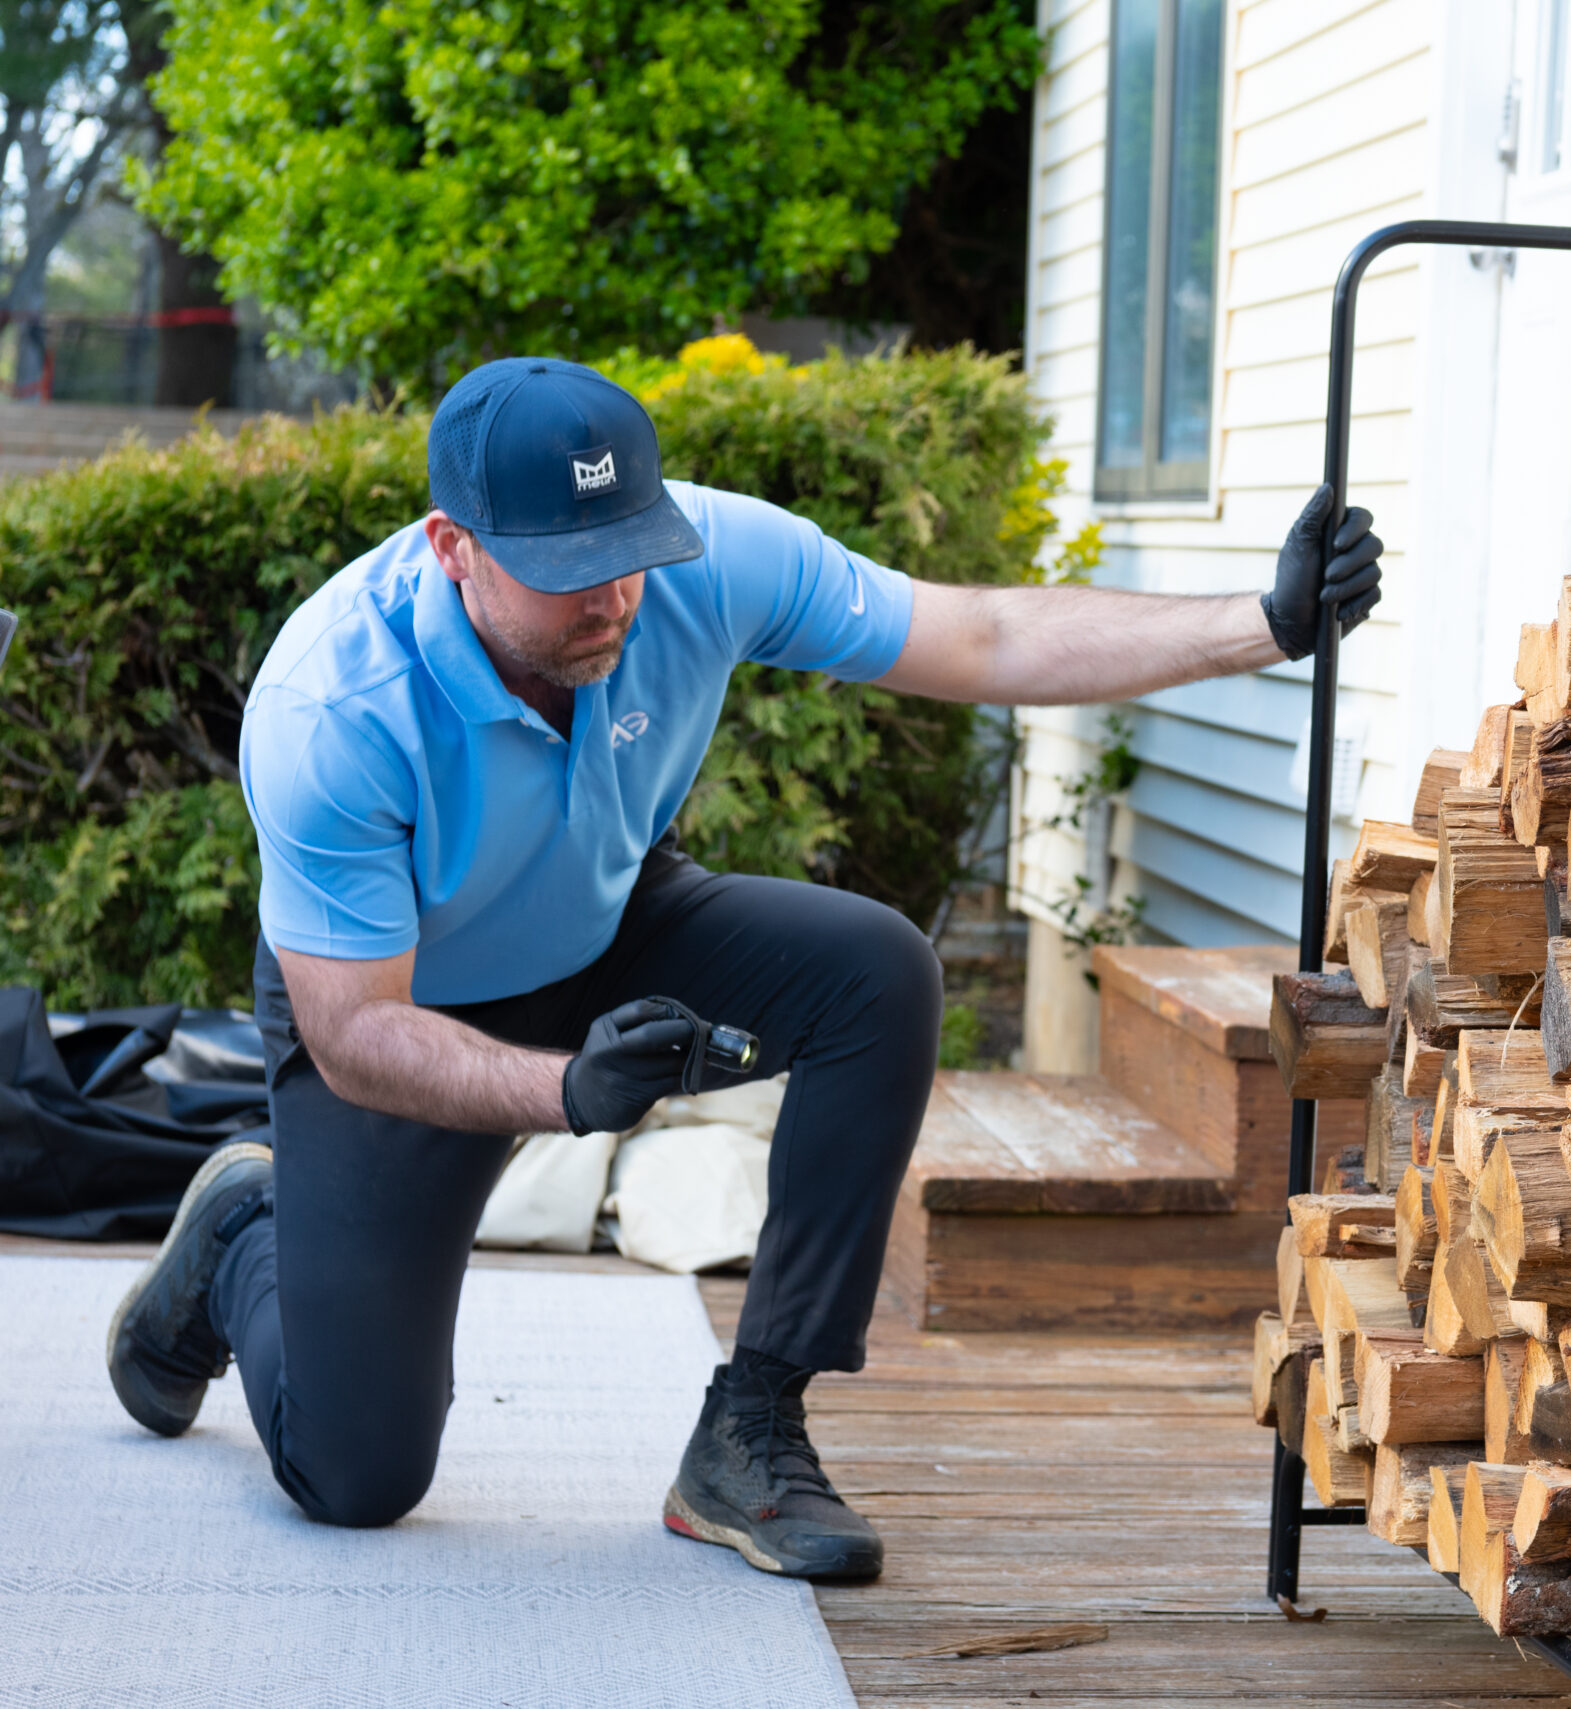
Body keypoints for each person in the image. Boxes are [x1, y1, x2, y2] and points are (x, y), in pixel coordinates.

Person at [103, 356, 1384, 1580]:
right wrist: (565, 1091)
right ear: (453, 548)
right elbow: (351, 1030)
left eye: (631, 555)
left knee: (874, 972)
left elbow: (982, 638)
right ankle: (239, 1239)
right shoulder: (335, 703)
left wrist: (1261, 625)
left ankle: (751, 1425)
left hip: (608, 925)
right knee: (357, 1476)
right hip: (405, 1012)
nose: (614, 597)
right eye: (569, 571)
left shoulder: (704, 556)